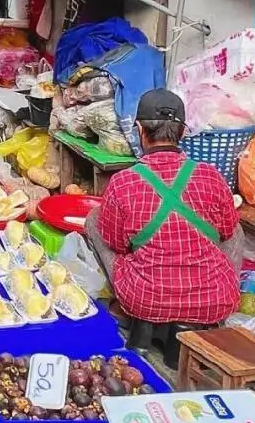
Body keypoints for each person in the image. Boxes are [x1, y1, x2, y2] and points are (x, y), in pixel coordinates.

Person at [85, 88, 243, 327]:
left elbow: (117, 244)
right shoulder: (211, 176)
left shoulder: (123, 182)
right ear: (182, 133)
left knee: (95, 220)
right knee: (235, 229)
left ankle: (124, 305)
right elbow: (227, 231)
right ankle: (216, 294)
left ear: (140, 130)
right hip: (215, 301)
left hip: (145, 300)